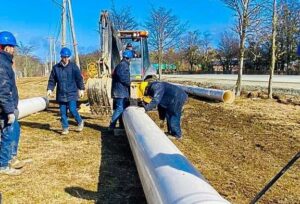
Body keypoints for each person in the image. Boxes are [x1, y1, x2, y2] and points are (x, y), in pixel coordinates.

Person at [0, 31, 27, 175]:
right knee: (8, 133)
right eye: (12, 46)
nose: (14, 49)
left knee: (15, 129)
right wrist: (9, 111)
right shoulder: (1, 63)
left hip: (8, 106)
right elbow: (3, 90)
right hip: (4, 108)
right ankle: (3, 165)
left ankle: (11, 157)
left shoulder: (6, 62)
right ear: (5, 47)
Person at [47, 47, 85, 135]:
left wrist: (81, 89)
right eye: (64, 57)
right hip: (61, 94)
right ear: (61, 56)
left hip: (72, 93)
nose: (65, 59)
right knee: (63, 112)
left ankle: (80, 122)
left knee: (72, 109)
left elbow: (79, 79)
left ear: (69, 57)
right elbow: (52, 80)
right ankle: (65, 127)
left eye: (67, 57)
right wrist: (50, 88)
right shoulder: (56, 68)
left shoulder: (74, 67)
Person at [109, 50, 133, 130]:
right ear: (129, 58)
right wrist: (129, 83)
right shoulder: (123, 65)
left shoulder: (122, 64)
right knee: (119, 109)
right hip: (120, 91)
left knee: (122, 108)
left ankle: (121, 126)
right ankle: (112, 126)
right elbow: (122, 77)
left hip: (120, 90)